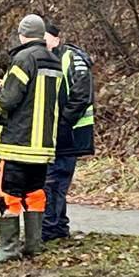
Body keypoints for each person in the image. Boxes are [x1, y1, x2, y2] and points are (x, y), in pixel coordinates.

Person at [0, 14, 63, 263]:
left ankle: (8, 248)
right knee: (36, 192)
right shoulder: (55, 61)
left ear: (22, 35)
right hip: (43, 145)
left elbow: (9, 98)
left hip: (18, 142)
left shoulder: (22, 58)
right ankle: (33, 244)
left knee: (9, 193)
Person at [42, 20, 95, 241]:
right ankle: (58, 226)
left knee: (55, 181)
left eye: (45, 39)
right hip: (61, 132)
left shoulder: (71, 58)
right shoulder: (51, 58)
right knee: (54, 181)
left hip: (70, 133)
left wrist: (63, 123)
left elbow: (82, 94)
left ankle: (52, 228)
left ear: (56, 38)